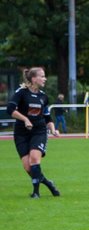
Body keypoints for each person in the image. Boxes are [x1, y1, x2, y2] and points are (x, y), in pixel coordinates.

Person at [7, 66, 60, 197]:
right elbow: (10, 109)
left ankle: (36, 193)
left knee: (34, 159)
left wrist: (53, 130)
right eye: (42, 76)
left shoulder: (43, 97)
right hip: (21, 133)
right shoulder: (21, 92)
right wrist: (25, 119)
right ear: (34, 78)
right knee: (28, 167)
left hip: (39, 131)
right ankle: (48, 183)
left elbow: (48, 117)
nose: (45, 79)